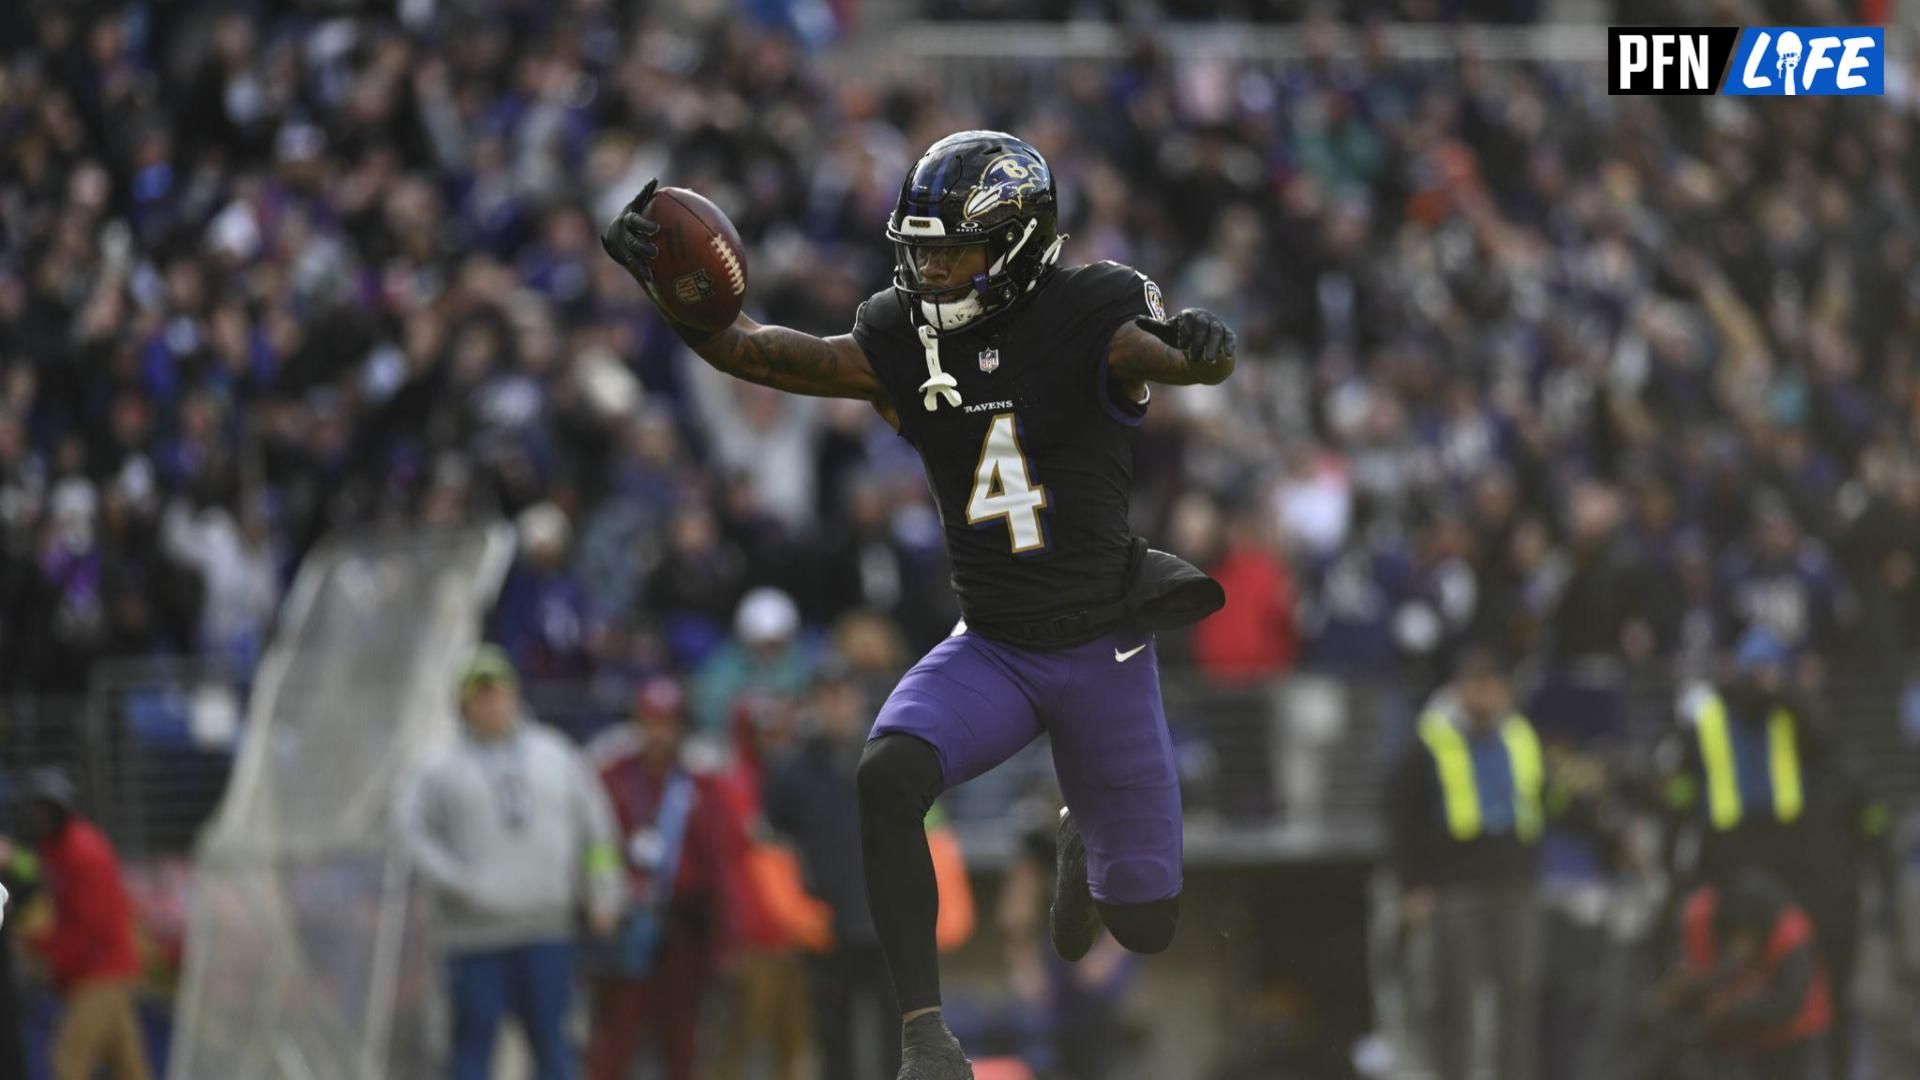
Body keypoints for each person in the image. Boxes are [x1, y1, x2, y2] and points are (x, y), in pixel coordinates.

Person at [602, 130, 1235, 1080]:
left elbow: (1153, 354)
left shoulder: (1094, 305)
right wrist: (684, 302)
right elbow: (762, 353)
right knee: (886, 774)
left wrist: (1197, 354)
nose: (931, 269)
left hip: (1103, 643)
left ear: (1020, 244)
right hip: (996, 645)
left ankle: (1081, 825)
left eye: (953, 251)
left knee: (1143, 922)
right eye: (921, 249)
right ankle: (922, 1031)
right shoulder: (903, 336)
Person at [397, 646, 624, 1080]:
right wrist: (455, 881)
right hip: (473, 936)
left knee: (555, 1047)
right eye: (479, 696)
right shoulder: (438, 768)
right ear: (462, 705)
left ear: (515, 695)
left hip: (547, 928)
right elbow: (410, 834)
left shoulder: (556, 755)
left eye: (498, 693)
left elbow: (597, 832)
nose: (491, 704)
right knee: (472, 1050)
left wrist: (604, 891)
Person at [1384, 647, 1544, 1080]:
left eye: (1495, 685)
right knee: (1455, 998)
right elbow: (1402, 816)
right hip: (1455, 885)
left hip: (1513, 880)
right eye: (1478, 685)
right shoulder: (1430, 742)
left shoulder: (1519, 736)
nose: (1488, 696)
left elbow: (1541, 799)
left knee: (1517, 995)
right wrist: (1411, 883)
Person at [583, 676, 743, 1080]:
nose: (658, 733)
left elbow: (721, 866)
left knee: (681, 1043)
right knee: (615, 1040)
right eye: (650, 722)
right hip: (625, 930)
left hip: (684, 931)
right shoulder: (612, 779)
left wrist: (724, 940)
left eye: (667, 723)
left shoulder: (702, 787)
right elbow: (594, 850)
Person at [18, 769, 150, 1080]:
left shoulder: (83, 853)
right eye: (35, 810)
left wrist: (51, 959)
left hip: (101, 971)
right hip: (104, 969)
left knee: (68, 1063)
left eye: (45, 811)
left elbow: (88, 924)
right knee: (129, 1069)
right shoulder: (54, 850)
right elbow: (63, 914)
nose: (39, 818)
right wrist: (37, 942)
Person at [1666, 870, 1831, 1080]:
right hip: (1747, 1035)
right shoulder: (1710, 918)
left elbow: (1789, 1004)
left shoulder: (1791, 940)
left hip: (1794, 1033)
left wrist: (1736, 1010)